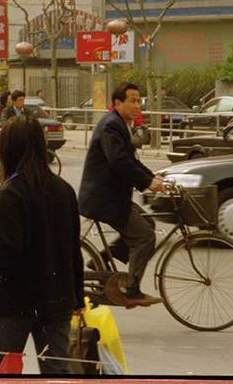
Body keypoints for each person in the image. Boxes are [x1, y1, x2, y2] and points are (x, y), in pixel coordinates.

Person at [0, 115, 84, 375]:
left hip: (15, 303)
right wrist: (77, 299)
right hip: (58, 299)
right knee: (57, 371)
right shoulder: (64, 190)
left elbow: (7, 250)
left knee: (6, 373)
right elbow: (74, 250)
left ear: (9, 149)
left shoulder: (10, 194)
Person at [78, 83, 167, 307]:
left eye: (139, 101)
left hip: (112, 196)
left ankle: (102, 260)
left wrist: (153, 177)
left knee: (149, 224)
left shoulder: (120, 124)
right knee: (144, 237)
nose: (137, 105)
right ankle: (132, 290)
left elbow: (132, 161)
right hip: (104, 199)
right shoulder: (111, 125)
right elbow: (119, 161)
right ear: (118, 103)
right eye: (132, 101)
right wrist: (147, 182)